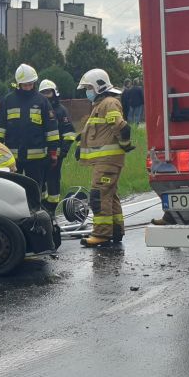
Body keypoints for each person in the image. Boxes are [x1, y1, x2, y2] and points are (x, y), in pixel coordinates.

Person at [76, 68, 132, 248]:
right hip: (105, 161)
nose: (87, 92)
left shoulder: (109, 103)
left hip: (108, 161)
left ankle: (101, 234)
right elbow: (95, 132)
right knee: (110, 195)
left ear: (98, 86)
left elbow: (122, 128)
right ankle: (115, 230)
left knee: (98, 196)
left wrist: (125, 144)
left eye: (88, 88)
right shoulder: (101, 105)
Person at [0, 63, 59, 205]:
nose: (28, 87)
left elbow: (51, 129)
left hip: (37, 158)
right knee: (12, 188)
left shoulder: (42, 101)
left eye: (30, 84)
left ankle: (37, 215)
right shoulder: (8, 100)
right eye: (25, 85)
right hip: (12, 157)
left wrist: (53, 151)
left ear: (34, 83)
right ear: (18, 84)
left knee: (36, 189)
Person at [40, 79, 76, 216]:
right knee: (40, 181)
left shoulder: (61, 111)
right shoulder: (38, 110)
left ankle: (51, 209)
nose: (46, 96)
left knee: (53, 181)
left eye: (48, 92)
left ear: (54, 93)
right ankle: (41, 207)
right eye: (43, 93)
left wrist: (63, 150)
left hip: (56, 154)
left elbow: (69, 133)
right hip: (40, 154)